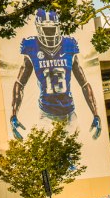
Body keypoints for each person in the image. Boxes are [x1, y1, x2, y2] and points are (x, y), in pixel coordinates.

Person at [10, 9, 101, 140]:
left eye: (52, 29)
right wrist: (14, 115)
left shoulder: (69, 45)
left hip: (69, 114)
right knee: (49, 155)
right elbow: (20, 83)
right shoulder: (31, 47)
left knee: (73, 156)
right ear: (39, 29)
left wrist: (96, 114)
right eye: (46, 29)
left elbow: (84, 84)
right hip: (47, 115)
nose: (50, 33)